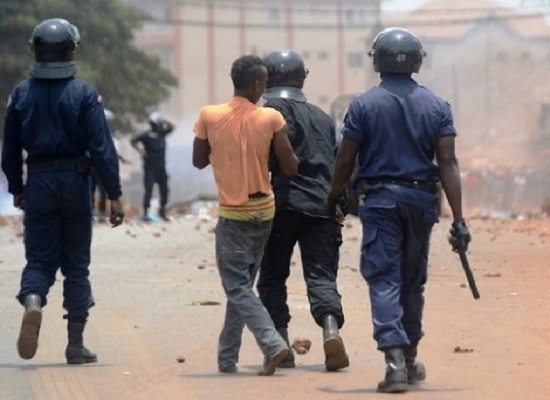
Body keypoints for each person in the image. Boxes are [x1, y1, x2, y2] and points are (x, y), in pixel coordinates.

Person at [327, 27, 471, 393]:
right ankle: (408, 356)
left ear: (377, 61)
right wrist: (459, 218)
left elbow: (345, 161)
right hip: (422, 202)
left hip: (380, 202)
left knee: (384, 278)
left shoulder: (362, 105)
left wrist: (333, 198)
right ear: (418, 60)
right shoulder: (438, 106)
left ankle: (393, 363)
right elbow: (448, 164)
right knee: (412, 279)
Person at [1, 18, 125, 364]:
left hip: (38, 182)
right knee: (76, 265)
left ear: (36, 50)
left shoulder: (21, 94)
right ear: (71, 50)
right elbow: (102, 148)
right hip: (75, 182)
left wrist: (16, 187)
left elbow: (9, 149)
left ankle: (33, 301)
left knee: (39, 258)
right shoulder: (84, 93)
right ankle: (75, 344)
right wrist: (113, 194)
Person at [192, 54, 299, 376]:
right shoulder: (270, 118)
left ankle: (272, 343)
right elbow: (291, 166)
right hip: (264, 212)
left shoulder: (209, 115)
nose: (265, 89)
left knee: (237, 287)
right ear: (255, 85)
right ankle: (227, 358)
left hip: (234, 215)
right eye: (264, 84)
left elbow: (199, 161)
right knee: (241, 287)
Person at [257, 49, 349, 371]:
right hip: (323, 207)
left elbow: (269, 160)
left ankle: (281, 344)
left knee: (271, 275)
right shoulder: (323, 117)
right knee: (322, 276)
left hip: (284, 204)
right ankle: (330, 330)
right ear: (304, 76)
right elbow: (339, 163)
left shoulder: (270, 110)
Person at [130, 112, 175, 221]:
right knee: (149, 189)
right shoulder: (146, 135)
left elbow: (172, 127)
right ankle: (145, 212)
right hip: (149, 167)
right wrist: (141, 151)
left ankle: (162, 211)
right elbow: (133, 140)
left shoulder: (162, 133)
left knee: (164, 189)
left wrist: (163, 119)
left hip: (161, 167)